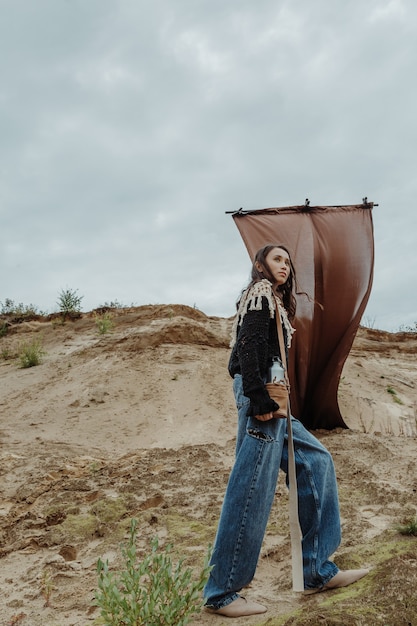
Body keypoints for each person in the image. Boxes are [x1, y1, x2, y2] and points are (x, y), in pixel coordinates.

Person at [203, 244, 369, 617]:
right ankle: (223, 591)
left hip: (274, 400)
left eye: (288, 261)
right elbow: (248, 347)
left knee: (316, 461)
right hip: (262, 399)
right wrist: (258, 398)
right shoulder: (260, 295)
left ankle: (315, 571)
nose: (285, 266)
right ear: (260, 264)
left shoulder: (274, 300)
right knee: (251, 489)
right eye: (277, 259)